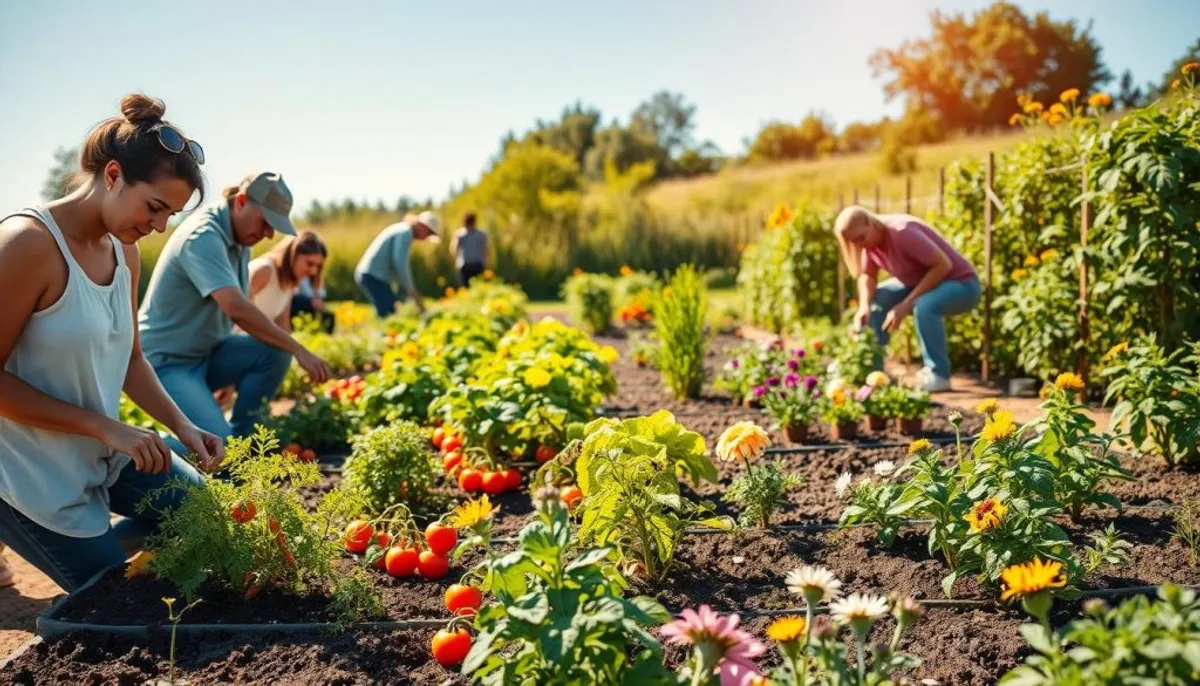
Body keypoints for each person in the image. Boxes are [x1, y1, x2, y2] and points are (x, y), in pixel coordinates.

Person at [0, 94, 225, 592]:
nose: (160, 225)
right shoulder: (28, 244)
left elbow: (131, 358)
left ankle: (100, 540)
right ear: (113, 175)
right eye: (155, 207)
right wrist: (106, 428)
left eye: (172, 214)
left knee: (207, 517)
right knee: (117, 598)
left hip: (101, 451)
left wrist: (183, 427)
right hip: (28, 473)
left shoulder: (125, 250)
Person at [138, 172, 332, 449]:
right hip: (167, 362)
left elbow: (231, 316)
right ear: (241, 201)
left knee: (274, 352)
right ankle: (132, 451)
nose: (268, 234)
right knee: (217, 447)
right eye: (265, 222)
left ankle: (246, 447)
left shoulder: (241, 240)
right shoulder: (203, 236)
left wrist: (231, 375)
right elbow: (236, 309)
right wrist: (299, 349)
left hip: (207, 354)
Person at [835, 205, 980, 392]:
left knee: (924, 305)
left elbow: (943, 265)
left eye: (861, 238)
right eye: (855, 243)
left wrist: (906, 304)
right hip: (921, 283)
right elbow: (868, 276)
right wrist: (864, 306)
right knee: (876, 300)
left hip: (961, 284)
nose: (860, 246)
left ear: (869, 223)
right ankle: (872, 372)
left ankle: (939, 375)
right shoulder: (869, 243)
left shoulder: (902, 232)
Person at [355, 210, 440, 317]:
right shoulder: (405, 232)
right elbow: (400, 263)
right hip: (373, 275)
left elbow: (395, 265)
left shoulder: (402, 229)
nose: (426, 238)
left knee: (388, 310)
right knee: (388, 313)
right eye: (428, 233)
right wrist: (410, 289)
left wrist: (403, 292)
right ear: (421, 226)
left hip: (371, 274)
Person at [246, 230, 327, 331]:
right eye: (309, 263)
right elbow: (240, 311)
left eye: (318, 266)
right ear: (293, 255)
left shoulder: (289, 282)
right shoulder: (265, 270)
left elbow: (282, 324)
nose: (313, 271)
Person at [450, 211, 489, 286]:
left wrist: (456, 260)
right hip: (479, 264)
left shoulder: (459, 234)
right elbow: (487, 249)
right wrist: (486, 261)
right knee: (479, 286)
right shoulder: (481, 234)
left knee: (465, 287)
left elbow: (454, 250)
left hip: (464, 265)